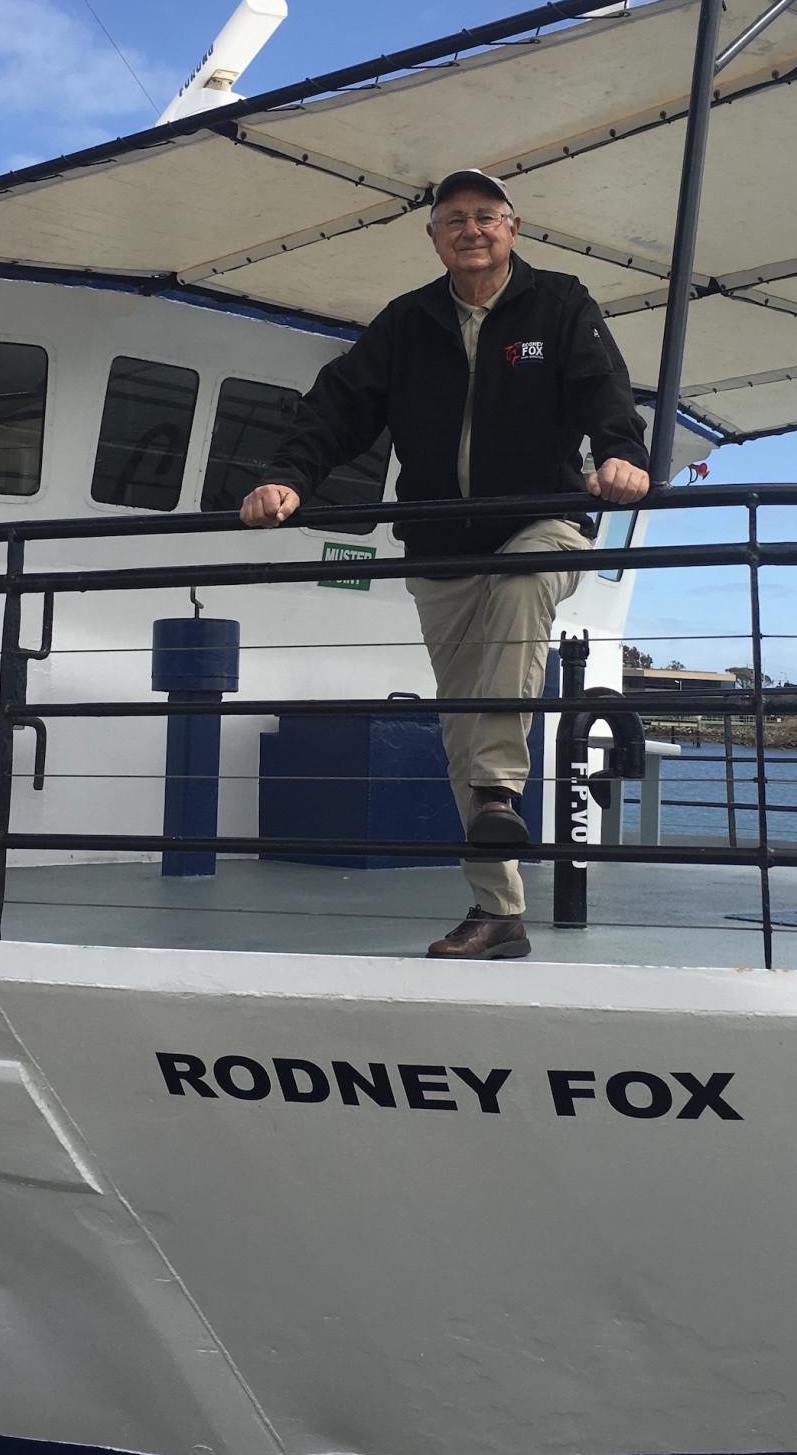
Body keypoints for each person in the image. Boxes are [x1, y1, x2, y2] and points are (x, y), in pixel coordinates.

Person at [240, 169, 650, 959]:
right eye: (454, 219)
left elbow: (604, 390)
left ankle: (501, 787)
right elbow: (337, 407)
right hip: (440, 548)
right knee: (463, 729)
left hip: (542, 523)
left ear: (514, 228)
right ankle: (499, 913)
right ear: (433, 237)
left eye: (486, 217)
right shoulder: (408, 323)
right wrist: (287, 478)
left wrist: (622, 456)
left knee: (523, 582)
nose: (472, 229)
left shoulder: (558, 304)